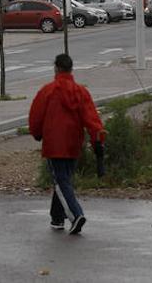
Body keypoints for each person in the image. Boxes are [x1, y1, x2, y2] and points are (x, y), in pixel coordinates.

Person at [28, 53, 106, 236]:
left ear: (56, 68)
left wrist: (37, 134)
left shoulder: (47, 91)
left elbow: (36, 116)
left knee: (61, 181)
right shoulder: (81, 92)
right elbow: (92, 118)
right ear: (71, 69)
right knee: (64, 180)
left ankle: (76, 215)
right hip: (73, 143)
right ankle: (56, 218)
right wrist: (97, 139)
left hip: (54, 143)